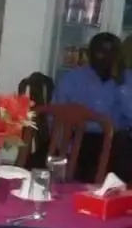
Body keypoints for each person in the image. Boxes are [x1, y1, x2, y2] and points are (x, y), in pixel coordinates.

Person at [54, 32, 132, 181]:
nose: (107, 58)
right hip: (79, 138)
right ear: (90, 54)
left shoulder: (128, 79)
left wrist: (122, 86)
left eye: (112, 52)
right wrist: (66, 149)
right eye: (101, 52)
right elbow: (55, 118)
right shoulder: (72, 79)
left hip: (114, 140)